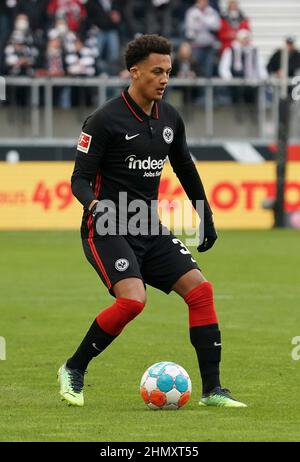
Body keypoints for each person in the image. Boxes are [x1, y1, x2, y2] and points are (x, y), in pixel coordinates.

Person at [57, 34, 247, 408]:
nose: (164, 79)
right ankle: (73, 368)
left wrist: (204, 215)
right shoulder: (104, 120)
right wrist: (94, 206)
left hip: (148, 225)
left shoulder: (170, 118)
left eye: (168, 72)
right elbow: (78, 178)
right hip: (107, 226)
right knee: (133, 301)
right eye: (157, 71)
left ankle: (212, 391)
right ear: (135, 71)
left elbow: (185, 167)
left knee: (201, 292)